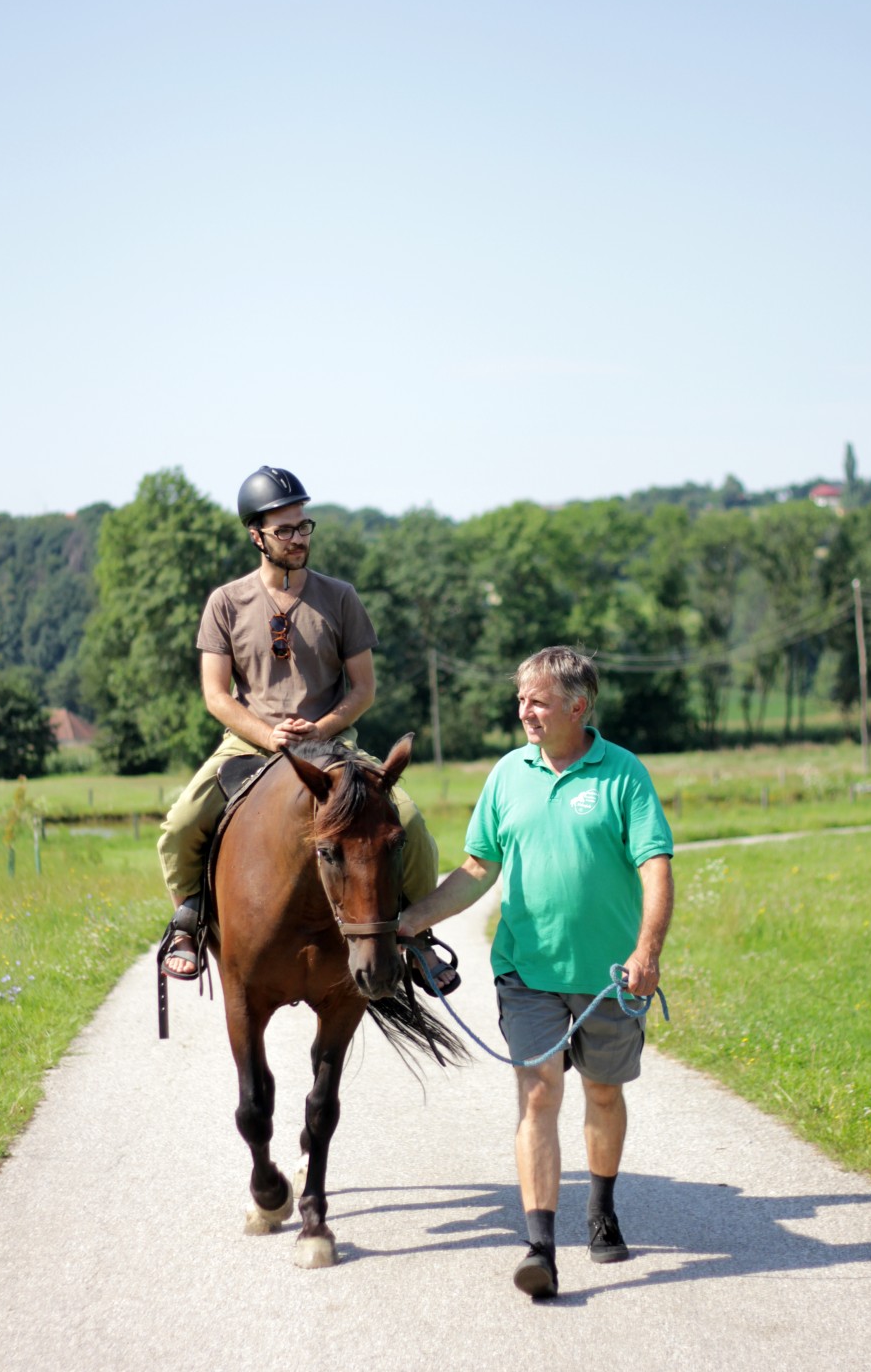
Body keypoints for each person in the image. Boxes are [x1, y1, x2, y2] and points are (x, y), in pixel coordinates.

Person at [398, 645, 673, 1298]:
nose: (524, 710)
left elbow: (655, 866)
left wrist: (648, 952)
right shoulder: (507, 776)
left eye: (537, 700)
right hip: (527, 972)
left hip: (609, 976)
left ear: (577, 707)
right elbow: (477, 869)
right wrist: (412, 919)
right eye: (520, 698)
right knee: (538, 1093)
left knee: (603, 1092)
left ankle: (601, 1208)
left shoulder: (624, 776)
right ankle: (540, 1248)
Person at [157, 464, 459, 995]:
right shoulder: (225, 602)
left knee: (409, 825)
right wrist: (267, 734)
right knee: (181, 825)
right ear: (256, 536)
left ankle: (419, 938)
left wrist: (319, 727)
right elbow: (216, 694)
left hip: (333, 745)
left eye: (303, 527)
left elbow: (363, 689)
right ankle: (187, 922)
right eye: (285, 530)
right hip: (247, 742)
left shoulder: (341, 597)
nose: (298, 539)